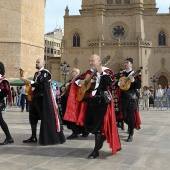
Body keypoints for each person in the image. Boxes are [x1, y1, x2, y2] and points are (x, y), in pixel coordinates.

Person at [74, 54, 121, 159]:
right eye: (89, 60)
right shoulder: (88, 72)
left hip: (102, 101)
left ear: (99, 61)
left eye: (93, 60)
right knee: (88, 124)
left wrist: (101, 72)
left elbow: (109, 82)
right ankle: (101, 138)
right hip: (91, 100)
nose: (91, 62)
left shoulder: (107, 71)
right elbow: (78, 80)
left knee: (98, 127)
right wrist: (81, 82)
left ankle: (96, 150)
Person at [20, 58, 65, 145]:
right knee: (32, 116)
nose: (36, 63)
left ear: (43, 64)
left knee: (44, 117)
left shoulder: (45, 73)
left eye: (38, 62)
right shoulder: (37, 73)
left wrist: (26, 80)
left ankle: (48, 137)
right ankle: (33, 137)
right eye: (36, 62)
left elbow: (39, 83)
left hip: (42, 99)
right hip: (35, 97)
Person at [117, 58, 141, 142]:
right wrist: (120, 83)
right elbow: (116, 82)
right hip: (123, 98)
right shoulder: (122, 74)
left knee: (130, 116)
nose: (125, 64)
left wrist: (133, 80)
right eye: (124, 62)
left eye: (127, 62)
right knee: (124, 117)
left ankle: (131, 133)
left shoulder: (136, 74)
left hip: (132, 98)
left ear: (131, 64)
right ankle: (132, 126)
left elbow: (138, 86)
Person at [61, 68, 88, 139]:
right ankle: (78, 131)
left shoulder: (78, 80)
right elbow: (63, 87)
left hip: (75, 101)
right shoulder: (70, 81)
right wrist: (62, 88)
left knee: (76, 116)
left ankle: (77, 132)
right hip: (67, 100)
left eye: (73, 71)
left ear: (76, 73)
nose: (71, 72)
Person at [0, 62, 14, 145]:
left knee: (1, 121)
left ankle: (9, 137)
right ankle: (9, 137)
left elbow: (6, 90)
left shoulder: (3, 80)